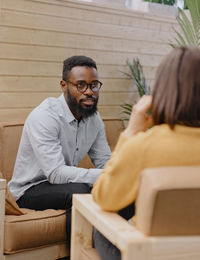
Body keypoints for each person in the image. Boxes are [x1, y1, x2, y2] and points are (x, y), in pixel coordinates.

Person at [92, 46, 200, 260]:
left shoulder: (144, 146)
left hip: (155, 255)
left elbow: (104, 197)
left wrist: (131, 132)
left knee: (100, 229)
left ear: (163, 92)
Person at [8, 55, 111, 252]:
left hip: (64, 184)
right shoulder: (45, 116)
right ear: (64, 85)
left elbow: (104, 160)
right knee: (81, 192)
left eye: (94, 85)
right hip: (29, 189)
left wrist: (118, 178)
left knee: (119, 190)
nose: (89, 92)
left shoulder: (94, 118)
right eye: (80, 85)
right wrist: (105, 176)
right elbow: (55, 173)